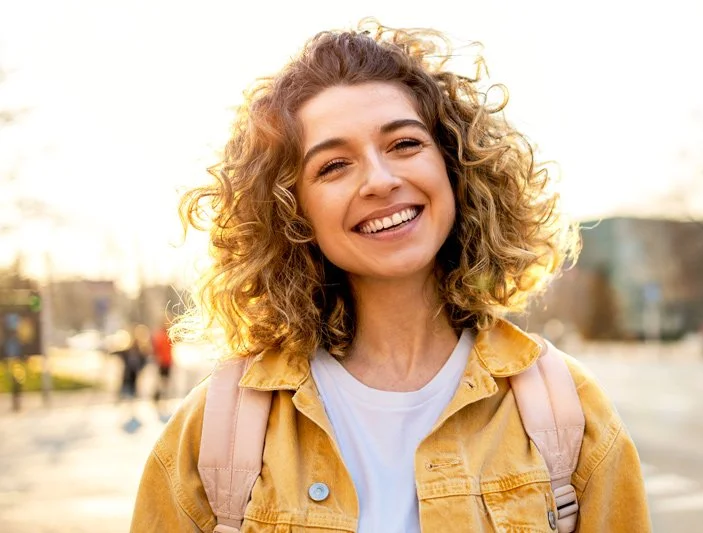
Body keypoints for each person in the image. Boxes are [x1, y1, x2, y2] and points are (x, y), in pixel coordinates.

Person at [131, 19, 651, 532]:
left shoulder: (568, 412)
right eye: (333, 166)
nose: (380, 181)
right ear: (293, 214)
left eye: (404, 144)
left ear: (454, 165)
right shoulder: (219, 430)